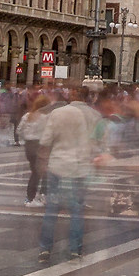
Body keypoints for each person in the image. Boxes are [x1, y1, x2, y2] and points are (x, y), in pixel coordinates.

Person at [37, 83, 107, 265]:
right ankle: (75, 250)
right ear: (87, 97)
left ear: (71, 96)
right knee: (77, 209)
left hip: (58, 165)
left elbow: (45, 141)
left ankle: (45, 248)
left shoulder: (58, 113)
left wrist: (42, 162)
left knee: (52, 208)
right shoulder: (95, 115)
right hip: (80, 168)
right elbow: (100, 143)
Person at [17, 93, 52, 203]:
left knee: (35, 171)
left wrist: (26, 138)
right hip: (41, 145)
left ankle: (31, 197)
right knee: (45, 171)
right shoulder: (46, 117)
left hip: (29, 146)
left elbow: (19, 130)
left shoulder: (27, 115)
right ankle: (41, 194)